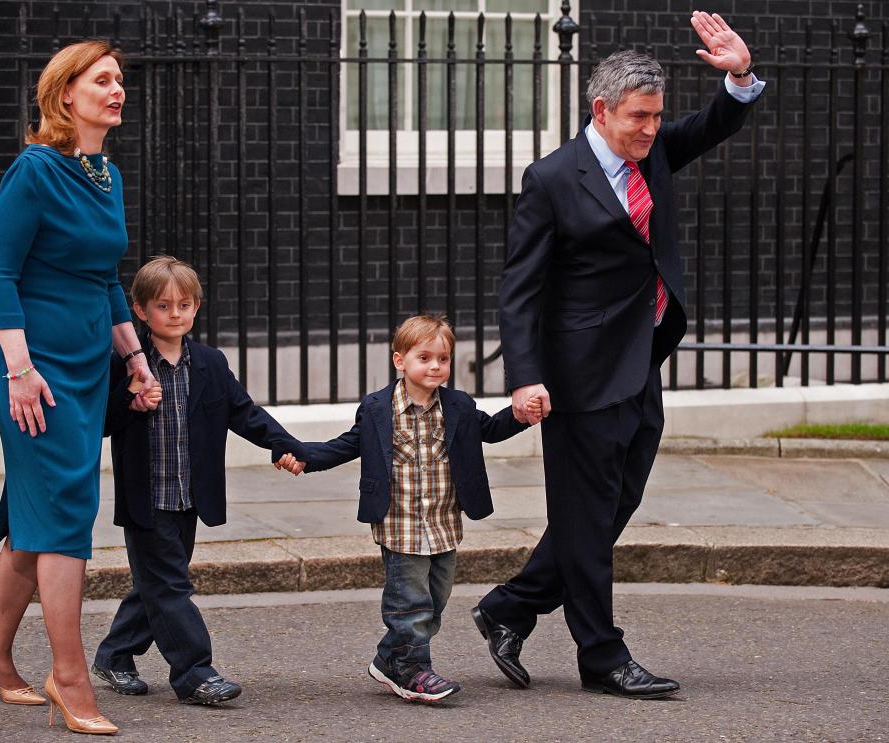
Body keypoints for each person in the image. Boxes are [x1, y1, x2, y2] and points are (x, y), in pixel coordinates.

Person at [471, 11, 765, 699]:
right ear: (601, 110)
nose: (651, 129)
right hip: (578, 374)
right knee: (588, 511)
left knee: (606, 508)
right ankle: (601, 655)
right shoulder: (551, 179)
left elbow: (716, 122)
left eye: (658, 116)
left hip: (640, 360)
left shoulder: (653, 150)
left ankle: (511, 605)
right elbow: (520, 289)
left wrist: (740, 74)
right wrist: (524, 379)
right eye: (638, 117)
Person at [0, 41, 155, 735]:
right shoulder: (34, 170)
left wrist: (135, 359)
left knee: (38, 509)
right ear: (65, 93)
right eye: (102, 80)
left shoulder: (103, 173)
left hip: (84, 356)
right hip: (33, 360)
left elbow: (106, 277)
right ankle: (69, 674)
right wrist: (19, 370)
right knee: (66, 504)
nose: (117, 91)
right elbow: (1, 278)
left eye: (119, 81)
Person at [277, 314, 539, 702]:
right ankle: (413, 670)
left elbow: (490, 430)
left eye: (443, 359)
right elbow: (347, 445)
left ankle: (389, 657)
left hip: (444, 522)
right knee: (410, 602)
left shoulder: (459, 406)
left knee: (436, 599)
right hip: (399, 524)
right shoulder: (378, 408)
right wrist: (305, 458)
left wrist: (519, 416)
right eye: (425, 357)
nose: (436, 366)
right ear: (400, 360)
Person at [91, 255, 309, 707]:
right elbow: (100, 423)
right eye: (164, 306)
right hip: (146, 498)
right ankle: (194, 672)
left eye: (184, 305)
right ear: (140, 310)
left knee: (158, 582)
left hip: (190, 497)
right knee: (170, 585)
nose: (175, 315)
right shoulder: (125, 363)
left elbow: (244, 413)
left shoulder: (209, 362)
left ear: (196, 308)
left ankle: (114, 654)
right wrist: (130, 401)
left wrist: (285, 446)